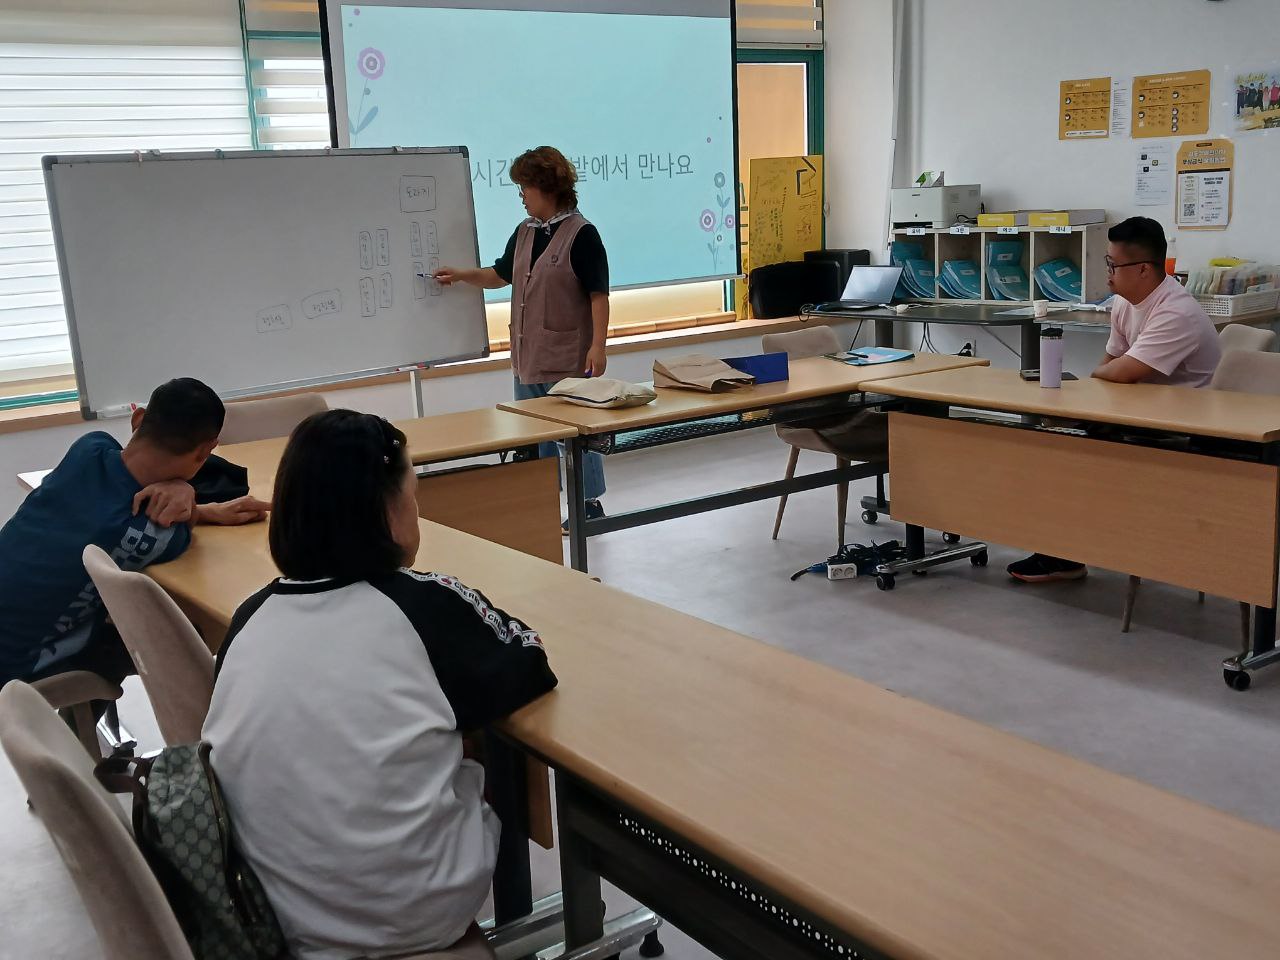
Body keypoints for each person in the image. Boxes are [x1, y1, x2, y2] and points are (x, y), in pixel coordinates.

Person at [202, 410, 558, 960]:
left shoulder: (251, 615)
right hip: (416, 918)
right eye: (412, 494)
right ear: (386, 510)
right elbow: (529, 663)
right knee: (480, 753)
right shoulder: (424, 603)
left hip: (277, 917)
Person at [0, 377, 268, 688]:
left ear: (137, 418)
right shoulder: (155, 535)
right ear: (207, 450)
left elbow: (124, 488)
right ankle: (82, 726)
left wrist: (203, 507)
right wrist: (184, 489)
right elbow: (170, 522)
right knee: (193, 636)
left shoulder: (89, 448)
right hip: (16, 667)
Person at [1007, 217, 1221, 584]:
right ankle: (1065, 550)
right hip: (1140, 415)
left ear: (1142, 270)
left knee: (1071, 451)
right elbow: (1109, 366)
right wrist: (1105, 378)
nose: (1106, 275)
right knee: (1054, 437)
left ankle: (1068, 552)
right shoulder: (1125, 302)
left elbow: (1122, 373)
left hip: (1186, 435)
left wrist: (1108, 375)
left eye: (1112, 265)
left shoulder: (1176, 311)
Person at [436, 146, 611, 527]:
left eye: (524, 188)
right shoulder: (525, 233)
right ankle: (544, 502)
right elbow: (501, 274)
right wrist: (463, 275)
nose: (521, 196)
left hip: (568, 356)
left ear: (546, 187)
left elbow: (599, 294)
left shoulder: (582, 235)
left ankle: (588, 505)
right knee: (537, 433)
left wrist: (598, 345)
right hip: (529, 355)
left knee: (575, 434)